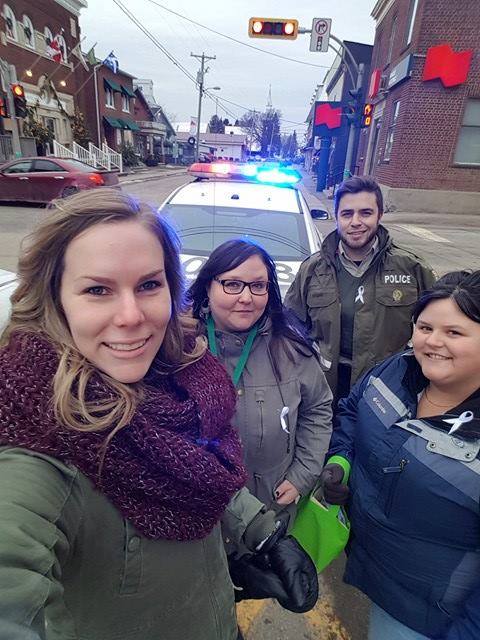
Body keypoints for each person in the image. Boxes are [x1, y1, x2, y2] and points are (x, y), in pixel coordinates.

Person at [0, 189, 317, 640]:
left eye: (149, 285)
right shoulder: (36, 441)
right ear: (55, 299)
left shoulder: (179, 380)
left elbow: (194, 471)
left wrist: (262, 531)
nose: (131, 316)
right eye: (97, 289)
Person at [320, 270, 480, 639]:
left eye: (454, 333)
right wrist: (341, 459)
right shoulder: (397, 370)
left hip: (431, 618)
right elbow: (351, 408)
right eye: (425, 328)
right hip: (377, 578)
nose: (433, 342)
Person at [188, 238, 333, 520]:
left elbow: (318, 409)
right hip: (200, 512)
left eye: (257, 286)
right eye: (232, 284)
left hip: (271, 509)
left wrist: (303, 474)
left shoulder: (293, 348)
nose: (246, 297)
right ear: (208, 286)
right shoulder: (179, 349)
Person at [285, 175, 435, 404]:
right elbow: (290, 328)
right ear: (337, 217)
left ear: (380, 215)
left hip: (389, 390)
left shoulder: (411, 268)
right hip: (325, 390)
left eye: (365, 213)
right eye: (347, 214)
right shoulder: (312, 270)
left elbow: (438, 327)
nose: (356, 222)